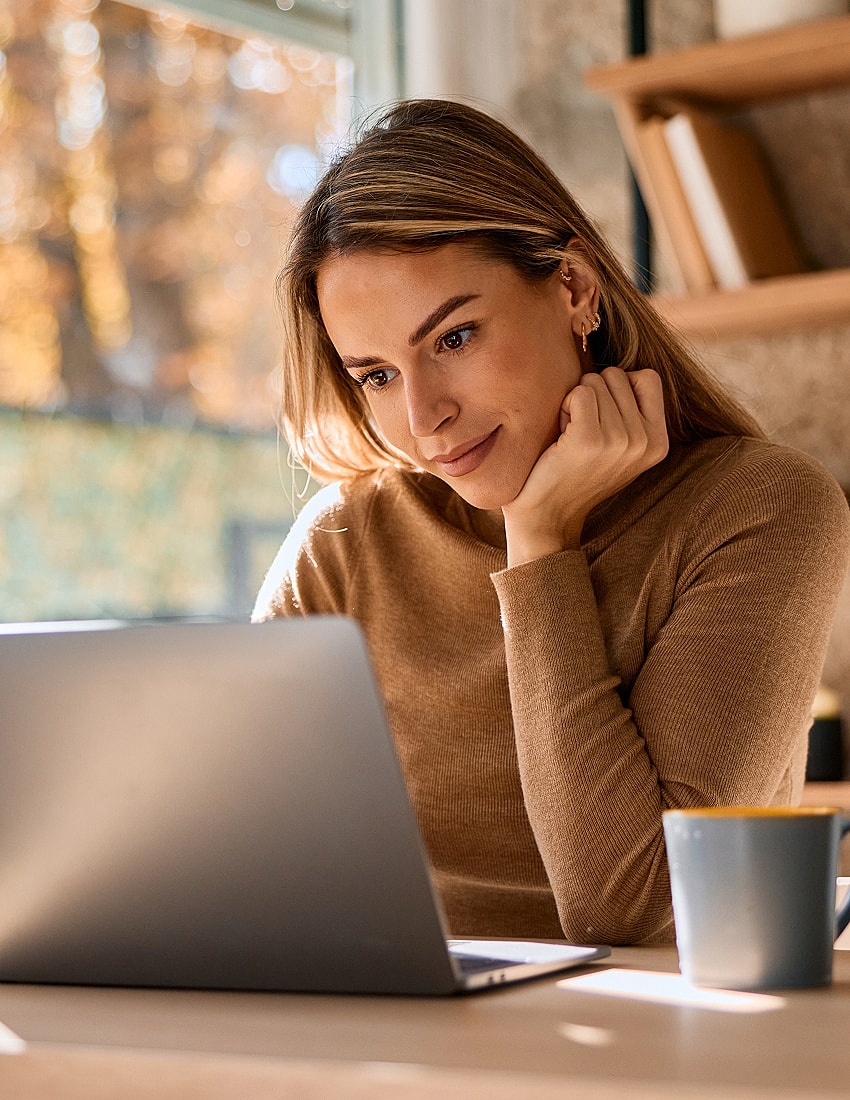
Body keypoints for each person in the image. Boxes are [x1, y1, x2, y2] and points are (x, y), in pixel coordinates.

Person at [253, 98, 850, 946]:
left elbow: (633, 910)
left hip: (645, 1054)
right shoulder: (345, 542)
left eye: (454, 338)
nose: (424, 418)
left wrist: (539, 547)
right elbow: (242, 857)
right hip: (390, 1035)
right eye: (377, 375)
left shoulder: (761, 508)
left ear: (573, 287)